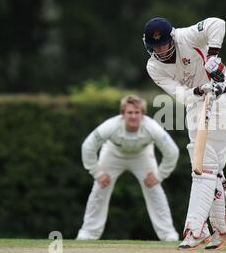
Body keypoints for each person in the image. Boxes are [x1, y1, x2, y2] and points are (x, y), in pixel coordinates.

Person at [143, 17, 226, 250]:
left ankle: (195, 229)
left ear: (172, 39)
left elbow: (217, 23)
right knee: (207, 166)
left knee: (204, 164)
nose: (161, 49)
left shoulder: (187, 36)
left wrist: (214, 54)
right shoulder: (153, 67)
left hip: (222, 100)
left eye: (164, 44)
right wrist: (197, 90)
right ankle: (224, 226)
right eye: (156, 46)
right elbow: (180, 94)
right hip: (196, 105)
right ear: (148, 46)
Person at [77, 94, 180, 242]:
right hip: (113, 154)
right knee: (99, 188)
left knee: (155, 190)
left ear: (142, 114)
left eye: (137, 112)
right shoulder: (110, 126)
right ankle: (87, 234)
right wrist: (97, 173)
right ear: (123, 114)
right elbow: (88, 146)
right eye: (129, 112)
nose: (133, 116)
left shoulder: (153, 128)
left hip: (142, 156)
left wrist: (159, 176)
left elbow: (172, 152)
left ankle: (169, 235)